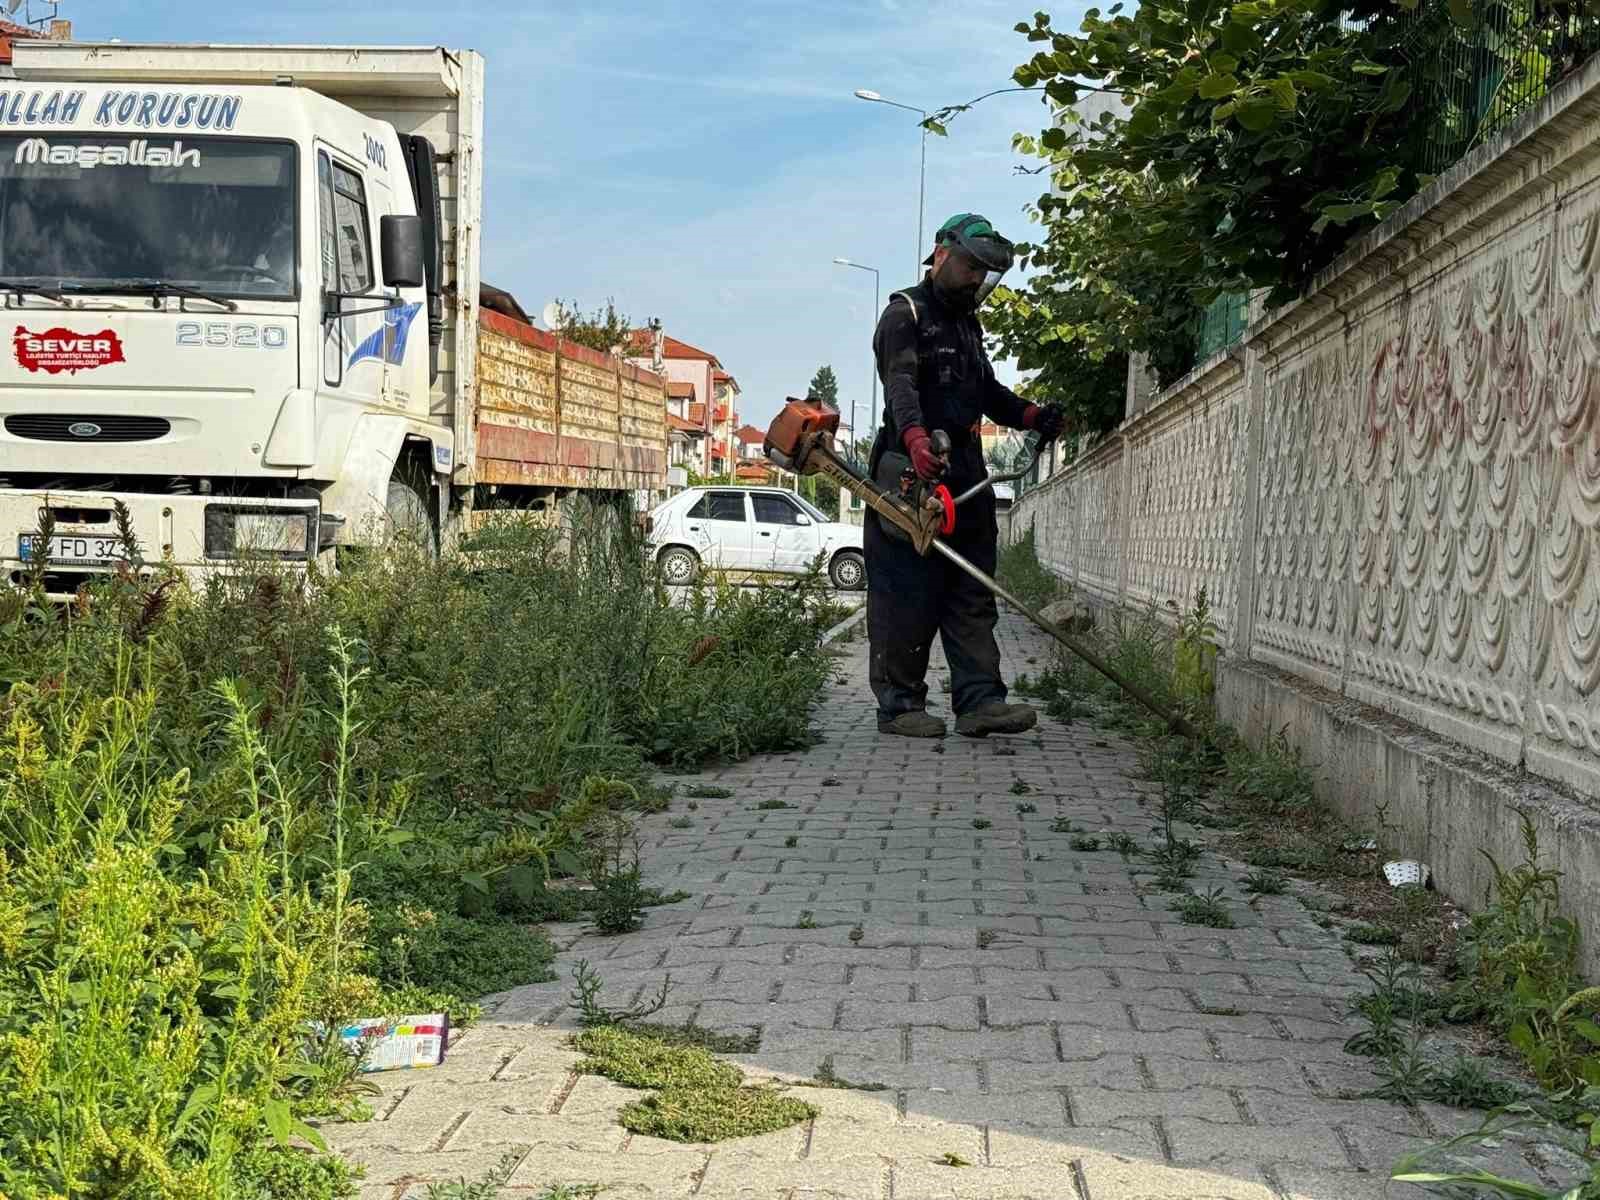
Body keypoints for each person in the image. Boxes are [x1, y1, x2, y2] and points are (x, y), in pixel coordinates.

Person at [865, 213, 1067, 739]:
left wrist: (1030, 415)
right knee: (908, 592)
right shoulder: (903, 314)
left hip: (966, 475)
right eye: (972, 268)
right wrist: (915, 441)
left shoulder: (967, 323)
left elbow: (985, 391)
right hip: (912, 471)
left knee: (973, 589)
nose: (978, 280)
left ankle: (980, 701)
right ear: (942, 255)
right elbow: (901, 385)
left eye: (987, 273)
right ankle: (900, 705)